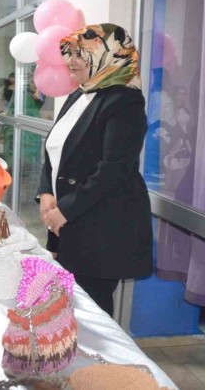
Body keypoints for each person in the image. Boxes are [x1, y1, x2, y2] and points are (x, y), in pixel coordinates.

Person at [37, 24, 152, 317]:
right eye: (71, 54)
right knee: (66, 306)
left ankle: (95, 352)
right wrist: (46, 191)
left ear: (108, 55)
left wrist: (65, 210)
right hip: (69, 219)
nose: (71, 61)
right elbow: (55, 151)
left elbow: (114, 170)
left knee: (91, 312)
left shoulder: (125, 101)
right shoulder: (79, 95)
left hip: (101, 227)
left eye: (81, 55)